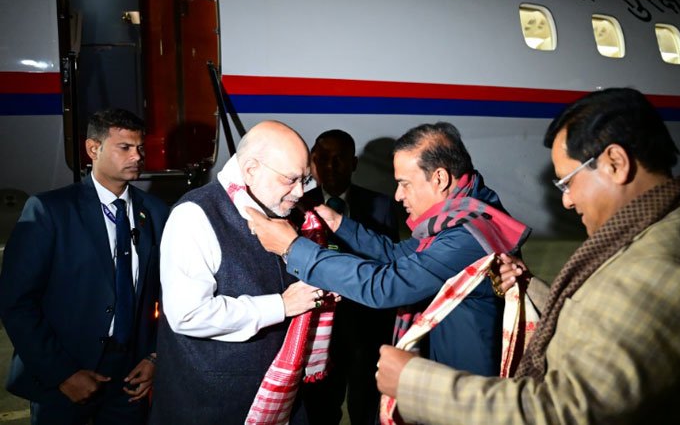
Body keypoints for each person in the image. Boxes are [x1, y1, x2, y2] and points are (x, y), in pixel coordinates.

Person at [375, 88, 680, 424]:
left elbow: (565, 412)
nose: (567, 200)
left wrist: (414, 381)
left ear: (616, 163)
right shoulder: (667, 230)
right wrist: (530, 286)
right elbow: (606, 317)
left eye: (568, 181)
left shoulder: (659, 267)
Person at [249, 122, 530, 382]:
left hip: (462, 384)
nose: (398, 195)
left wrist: (294, 249)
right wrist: (338, 223)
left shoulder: (465, 237)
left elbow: (383, 286)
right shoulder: (462, 215)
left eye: (404, 183)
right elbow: (397, 254)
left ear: (440, 178)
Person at [148, 120, 325, 425]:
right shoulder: (194, 215)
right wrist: (281, 305)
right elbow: (188, 314)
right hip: (210, 408)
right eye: (291, 179)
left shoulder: (288, 210)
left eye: (305, 179)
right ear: (251, 170)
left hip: (283, 400)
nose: (299, 191)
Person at [0, 108, 168, 424]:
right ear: (93, 149)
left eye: (140, 148)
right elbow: (16, 302)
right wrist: (62, 374)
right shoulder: (50, 211)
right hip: (64, 375)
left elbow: (168, 295)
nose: (137, 156)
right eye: (125, 147)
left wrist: (154, 357)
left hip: (130, 378)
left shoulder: (157, 212)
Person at [298, 129, 399, 425]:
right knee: (320, 407)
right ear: (312, 161)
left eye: (339, 158)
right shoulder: (298, 204)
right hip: (317, 327)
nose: (330, 166)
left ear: (353, 163)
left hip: (365, 327)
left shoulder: (382, 206)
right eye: (322, 158)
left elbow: (388, 263)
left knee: (365, 404)